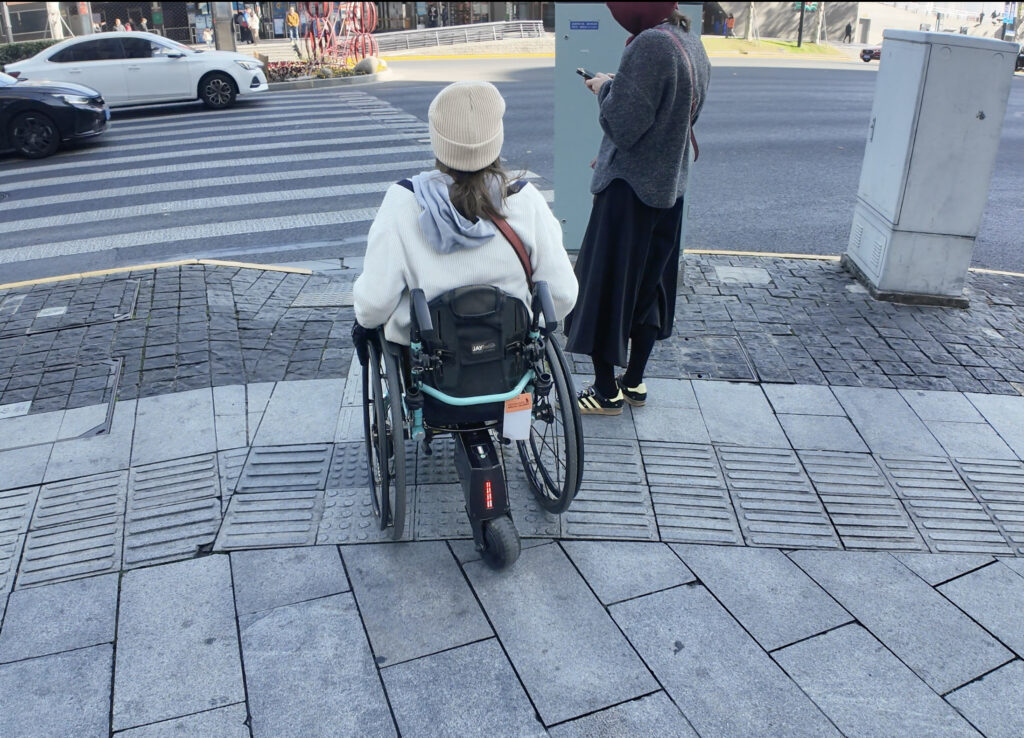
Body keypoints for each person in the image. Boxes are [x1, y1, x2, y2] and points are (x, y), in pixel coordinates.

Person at [352, 81, 578, 355]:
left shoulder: (404, 202)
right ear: (497, 137)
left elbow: (374, 306)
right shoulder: (524, 199)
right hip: (510, 356)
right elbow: (562, 293)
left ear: (437, 139)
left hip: (430, 363)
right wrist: (529, 326)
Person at [563, 2, 710, 416]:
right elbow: (680, 114)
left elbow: (622, 123)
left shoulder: (648, 45)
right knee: (651, 286)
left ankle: (605, 391)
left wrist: (604, 87)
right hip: (670, 186)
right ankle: (634, 382)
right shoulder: (687, 39)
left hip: (630, 191)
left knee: (606, 286)